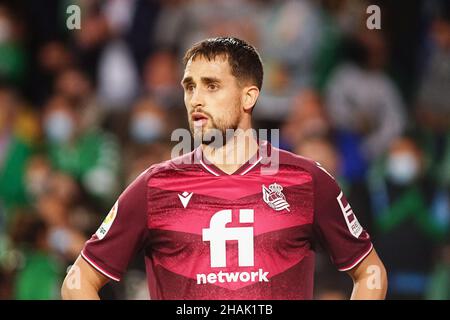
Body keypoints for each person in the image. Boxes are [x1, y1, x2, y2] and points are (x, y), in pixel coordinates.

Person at [61, 37, 387, 300]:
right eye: (190, 87)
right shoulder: (154, 186)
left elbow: (370, 272)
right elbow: (78, 281)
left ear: (248, 98)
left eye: (211, 86)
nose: (196, 100)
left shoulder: (307, 180)